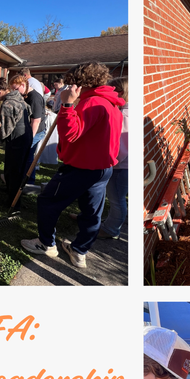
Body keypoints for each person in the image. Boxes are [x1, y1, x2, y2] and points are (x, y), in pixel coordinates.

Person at [21, 62, 125, 269]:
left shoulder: (93, 102)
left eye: (71, 84)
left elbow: (70, 134)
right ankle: (79, 251)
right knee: (91, 212)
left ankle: (46, 244)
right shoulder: (111, 103)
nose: (69, 88)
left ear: (80, 84)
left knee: (48, 201)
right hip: (102, 168)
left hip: (82, 167)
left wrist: (67, 105)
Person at [0, 74, 33, 208]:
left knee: (14, 171)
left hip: (17, 139)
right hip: (25, 137)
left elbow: (7, 127)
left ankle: (14, 203)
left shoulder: (8, 104)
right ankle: (10, 190)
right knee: (14, 168)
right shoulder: (19, 99)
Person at [98, 77, 129, 240]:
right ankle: (109, 222)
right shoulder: (124, 111)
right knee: (115, 197)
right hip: (121, 165)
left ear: (121, 93)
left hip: (120, 166)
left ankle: (111, 229)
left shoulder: (125, 115)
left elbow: (122, 147)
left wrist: (110, 161)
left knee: (117, 199)